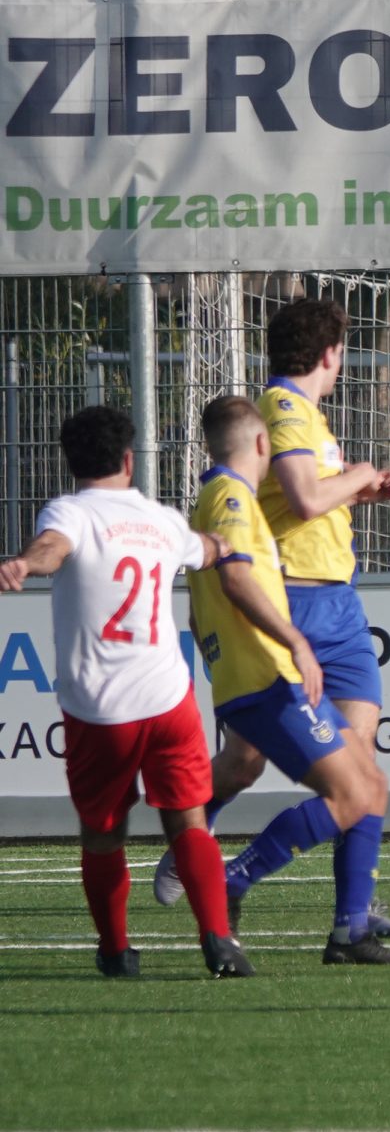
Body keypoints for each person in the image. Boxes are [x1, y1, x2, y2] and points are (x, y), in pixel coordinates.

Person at [154, 297, 390, 930]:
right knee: (247, 760)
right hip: (297, 601)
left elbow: (311, 501)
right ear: (331, 353)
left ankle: (353, 914)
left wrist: (360, 491)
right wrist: (358, 475)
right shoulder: (284, 411)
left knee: (363, 770)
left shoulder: (311, 419)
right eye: (344, 349)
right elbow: (305, 495)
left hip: (339, 601)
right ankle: (193, 842)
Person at [0, 406, 251, 978]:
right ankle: (218, 940)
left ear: (71, 463)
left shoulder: (71, 512)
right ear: (129, 459)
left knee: (103, 833)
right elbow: (207, 551)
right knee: (188, 819)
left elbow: (51, 548)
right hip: (168, 700)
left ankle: (116, 951)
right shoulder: (159, 519)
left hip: (101, 710)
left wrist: (23, 564)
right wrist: (224, 542)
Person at [189, 396, 390, 964]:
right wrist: (295, 641)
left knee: (370, 787)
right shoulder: (233, 498)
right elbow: (237, 580)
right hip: (268, 678)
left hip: (256, 677)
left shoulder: (216, 499)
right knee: (354, 792)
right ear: (263, 445)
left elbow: (200, 607)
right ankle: (235, 879)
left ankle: (348, 934)